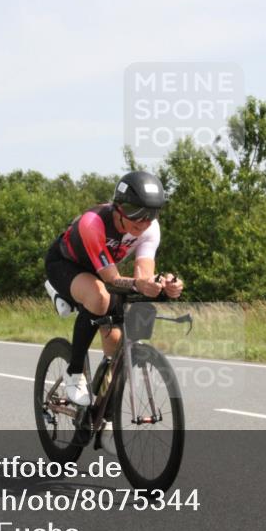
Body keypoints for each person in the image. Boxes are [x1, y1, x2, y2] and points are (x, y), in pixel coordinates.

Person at [44, 171, 183, 406]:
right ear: (118, 207)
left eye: (152, 214)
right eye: (136, 212)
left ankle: (103, 411)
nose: (143, 221)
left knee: (116, 342)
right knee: (99, 298)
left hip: (101, 270)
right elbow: (111, 279)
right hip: (66, 264)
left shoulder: (150, 229)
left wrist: (162, 284)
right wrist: (140, 284)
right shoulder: (93, 222)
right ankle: (74, 372)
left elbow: (143, 276)